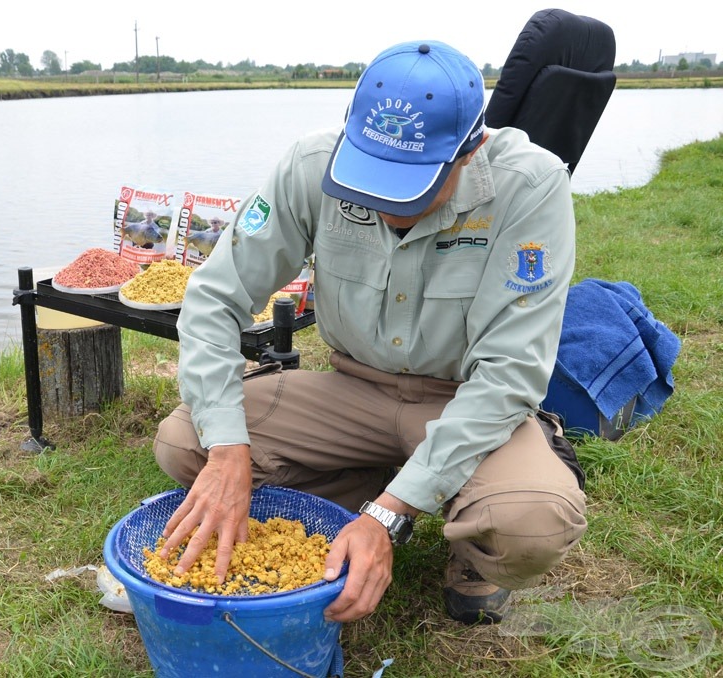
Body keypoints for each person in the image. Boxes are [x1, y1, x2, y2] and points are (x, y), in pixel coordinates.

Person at [151, 39, 588, 625]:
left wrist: (387, 516)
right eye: (371, 178)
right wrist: (228, 449)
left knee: (532, 523)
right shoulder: (310, 166)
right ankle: (380, 487)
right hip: (354, 389)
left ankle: (450, 534)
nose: (387, 206)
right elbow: (213, 298)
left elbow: (509, 373)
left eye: (413, 186)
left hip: (465, 398)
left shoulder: (529, 186)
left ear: (471, 150)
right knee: (188, 443)